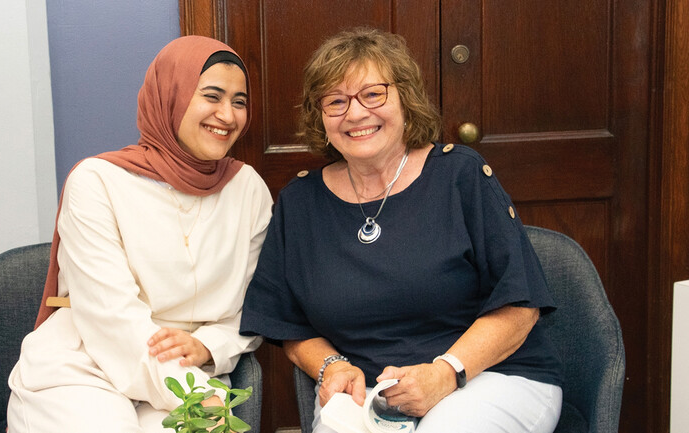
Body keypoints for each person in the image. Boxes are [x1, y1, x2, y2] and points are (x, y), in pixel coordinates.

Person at [239, 27, 563, 433]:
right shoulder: (300, 202)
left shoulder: (460, 175)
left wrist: (446, 373)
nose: (355, 114)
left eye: (373, 94)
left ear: (405, 98)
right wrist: (331, 365)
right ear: (319, 116)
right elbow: (287, 323)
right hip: (374, 398)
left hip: (490, 378)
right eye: (336, 101)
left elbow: (521, 306)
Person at [6, 35, 273, 432]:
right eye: (212, 96)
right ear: (170, 96)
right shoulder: (97, 181)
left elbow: (250, 306)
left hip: (186, 364)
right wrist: (195, 393)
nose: (228, 115)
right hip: (85, 365)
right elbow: (111, 319)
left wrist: (210, 346)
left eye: (239, 101)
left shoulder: (248, 189)